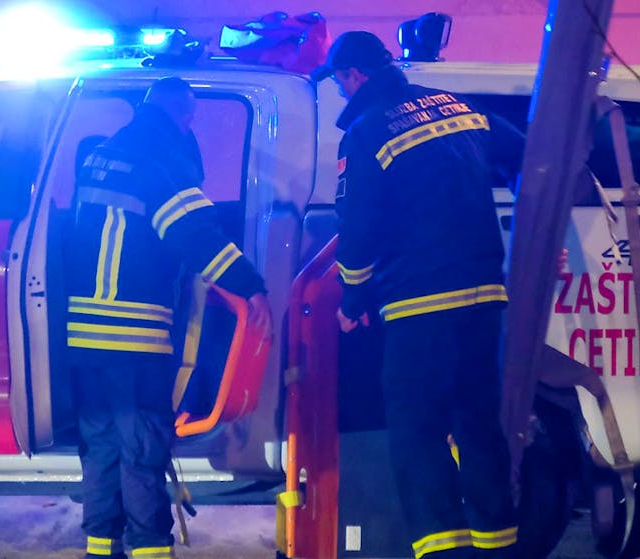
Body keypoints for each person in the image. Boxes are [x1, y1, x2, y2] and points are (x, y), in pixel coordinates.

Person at [313, 32, 525, 559]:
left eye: (339, 80)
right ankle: (496, 545)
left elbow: (358, 228)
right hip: (485, 300)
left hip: (418, 305)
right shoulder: (458, 109)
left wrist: (352, 300)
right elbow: (529, 158)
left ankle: (442, 550)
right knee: (479, 424)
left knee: (417, 430)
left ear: (354, 75)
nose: (340, 90)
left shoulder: (365, 133)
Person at [65, 77, 272, 559]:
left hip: (84, 333)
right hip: (132, 333)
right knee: (143, 447)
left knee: (101, 443)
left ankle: (101, 546)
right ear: (184, 117)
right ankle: (151, 548)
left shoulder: (103, 155)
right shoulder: (162, 164)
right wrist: (251, 287)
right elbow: (198, 237)